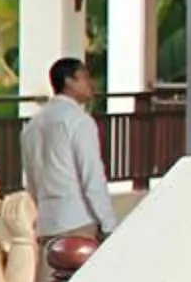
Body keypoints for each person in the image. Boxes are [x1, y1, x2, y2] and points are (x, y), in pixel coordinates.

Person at [23, 56, 120, 241]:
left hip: (46, 223)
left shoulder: (32, 125)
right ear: (69, 82)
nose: (90, 83)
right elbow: (92, 176)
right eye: (84, 77)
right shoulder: (79, 121)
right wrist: (108, 223)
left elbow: (31, 180)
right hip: (77, 220)